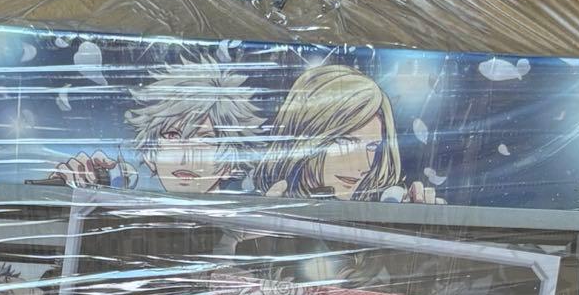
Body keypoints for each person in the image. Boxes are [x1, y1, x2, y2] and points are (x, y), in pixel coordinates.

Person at [53, 54, 263, 195]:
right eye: (172, 135)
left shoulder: (251, 223)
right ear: (149, 156)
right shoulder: (123, 202)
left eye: (205, 139)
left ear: (230, 164)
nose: (184, 157)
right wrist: (61, 192)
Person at [255, 64, 438, 202]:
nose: (364, 166)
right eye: (345, 143)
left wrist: (417, 225)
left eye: (372, 146)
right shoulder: (251, 200)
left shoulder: (378, 203)